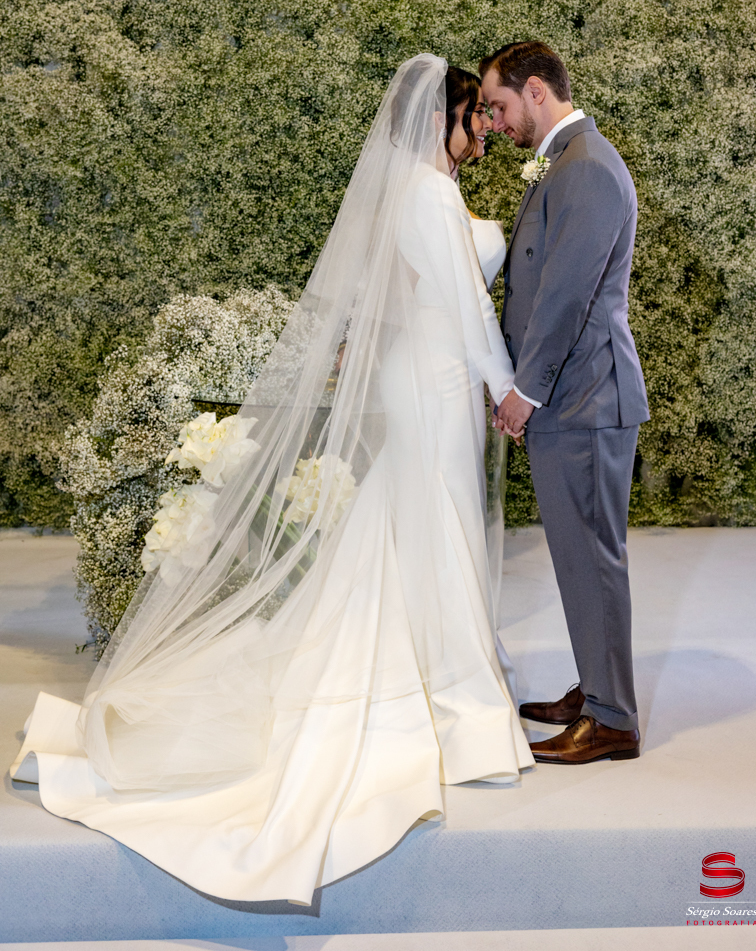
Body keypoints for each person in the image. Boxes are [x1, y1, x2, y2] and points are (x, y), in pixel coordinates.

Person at [11, 55, 532, 904]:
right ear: (440, 118)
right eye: (473, 113)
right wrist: (506, 385)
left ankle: (440, 659)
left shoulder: (416, 190)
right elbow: (470, 307)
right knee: (435, 516)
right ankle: (447, 682)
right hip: (435, 382)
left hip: (427, 373)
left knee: (419, 518)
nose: (481, 128)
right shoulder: (429, 195)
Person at [483, 40, 650, 766]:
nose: (494, 121)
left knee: (591, 557)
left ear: (536, 90)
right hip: (575, 395)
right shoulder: (571, 160)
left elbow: (565, 296)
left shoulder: (584, 167)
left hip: (583, 396)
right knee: (581, 556)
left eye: (499, 105)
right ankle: (597, 689)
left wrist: (525, 390)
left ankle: (612, 719)